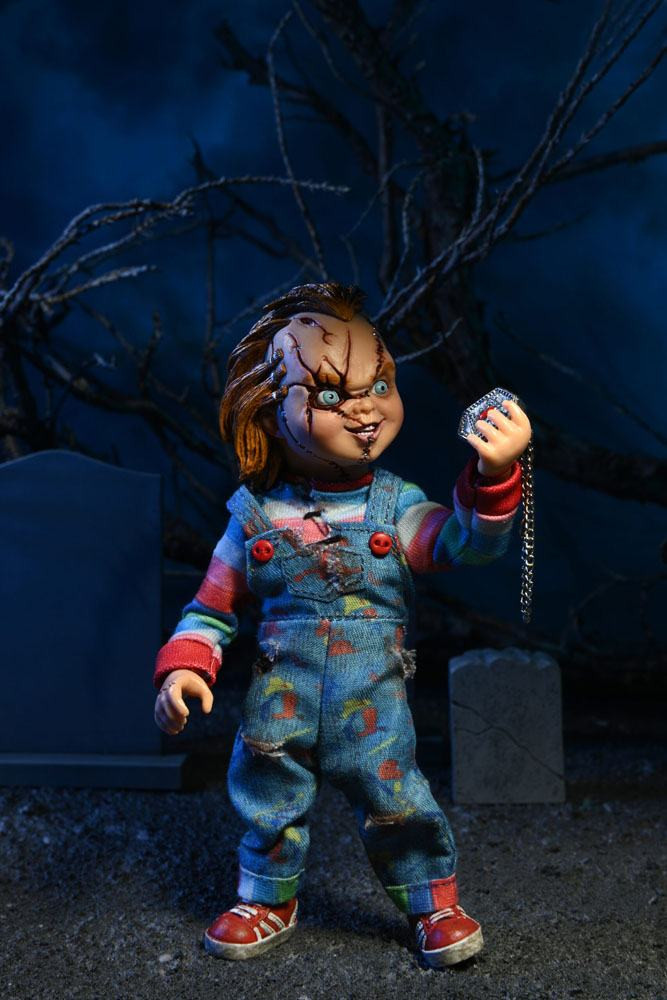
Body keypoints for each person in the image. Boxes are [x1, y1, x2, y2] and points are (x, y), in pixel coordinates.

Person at [153, 281, 531, 968]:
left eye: (380, 386)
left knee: (396, 795)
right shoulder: (253, 517)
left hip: (372, 702)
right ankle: (266, 897)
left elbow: (465, 545)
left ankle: (431, 901)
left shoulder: (397, 508)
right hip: (280, 697)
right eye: (329, 397)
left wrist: (494, 473)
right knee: (267, 796)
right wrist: (185, 667)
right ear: (269, 413)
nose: (364, 412)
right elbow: (209, 607)